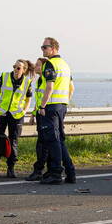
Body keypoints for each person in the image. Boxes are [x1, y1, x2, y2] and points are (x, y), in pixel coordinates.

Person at [35, 37, 75, 185]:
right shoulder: (65, 65)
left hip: (51, 107)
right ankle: (70, 172)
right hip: (61, 106)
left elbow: (49, 87)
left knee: (53, 140)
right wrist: (65, 102)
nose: (42, 50)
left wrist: (42, 106)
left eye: (44, 47)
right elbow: (72, 88)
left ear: (53, 48)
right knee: (59, 140)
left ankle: (56, 173)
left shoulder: (50, 64)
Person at [0, 59, 34, 178]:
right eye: (14, 67)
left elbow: (29, 99)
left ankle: (11, 168)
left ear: (24, 70)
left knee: (13, 141)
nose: (15, 69)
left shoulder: (27, 82)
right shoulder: (4, 76)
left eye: (19, 68)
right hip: (2, 114)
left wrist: (24, 111)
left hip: (16, 115)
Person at [26, 57, 50, 181]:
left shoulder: (47, 80)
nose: (35, 67)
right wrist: (33, 115)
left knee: (42, 144)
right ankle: (42, 170)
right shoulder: (40, 80)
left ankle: (39, 170)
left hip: (46, 115)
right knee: (42, 144)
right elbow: (39, 99)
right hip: (40, 115)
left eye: (38, 65)